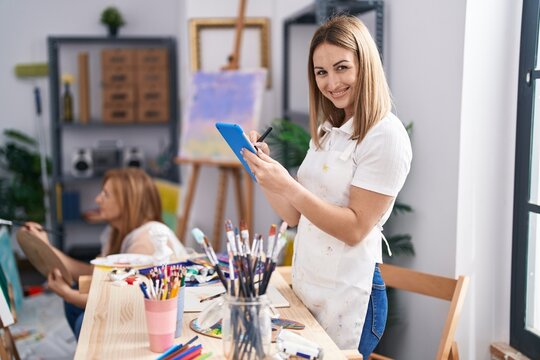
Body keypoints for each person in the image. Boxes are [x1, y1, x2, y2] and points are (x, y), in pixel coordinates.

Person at [243, 15, 412, 356]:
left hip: (352, 295)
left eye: (341, 67)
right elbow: (293, 214)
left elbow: (354, 229)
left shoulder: (386, 135)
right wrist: (263, 172)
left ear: (365, 65)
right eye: (321, 72)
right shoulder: (327, 131)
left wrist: (287, 185)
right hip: (312, 284)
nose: (331, 82)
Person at [22, 168, 188, 339]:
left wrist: (67, 294)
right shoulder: (114, 232)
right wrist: (46, 246)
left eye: (106, 195)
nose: (97, 199)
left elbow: (125, 301)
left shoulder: (146, 239)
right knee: (76, 299)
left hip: (155, 316)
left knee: (82, 320)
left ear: (128, 201)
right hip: (134, 305)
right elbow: (96, 272)